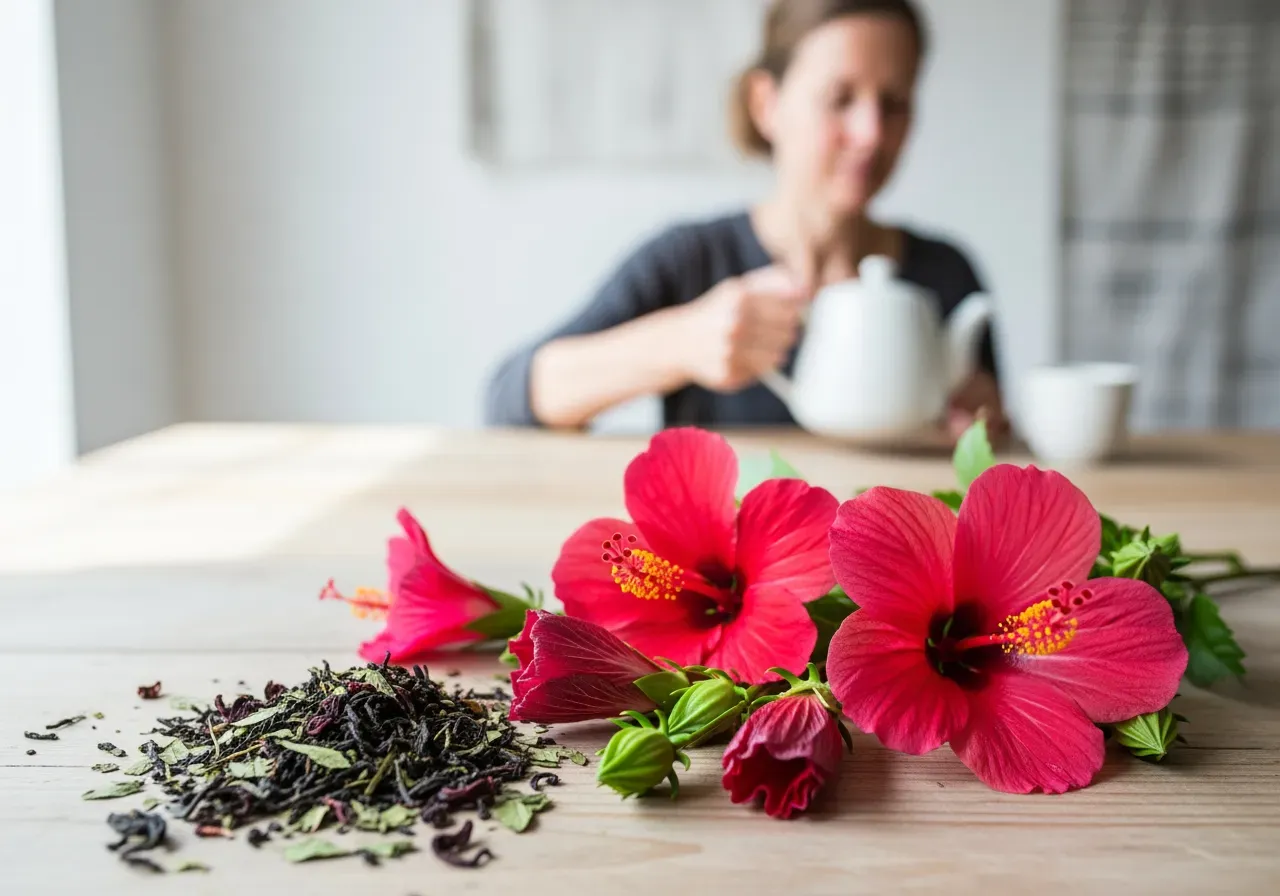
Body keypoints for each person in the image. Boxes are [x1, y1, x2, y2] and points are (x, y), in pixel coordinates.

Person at [484, 0, 1005, 443]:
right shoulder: (691, 262)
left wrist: (983, 426)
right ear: (767, 104)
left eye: (894, 103)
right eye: (840, 99)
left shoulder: (947, 275)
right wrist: (684, 341)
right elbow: (511, 397)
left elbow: (988, 446)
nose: (871, 132)